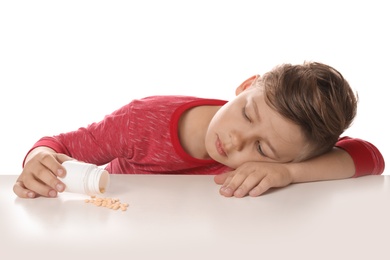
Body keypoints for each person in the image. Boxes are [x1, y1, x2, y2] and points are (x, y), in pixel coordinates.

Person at [13, 61, 385, 199]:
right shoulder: (142, 121)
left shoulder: (292, 153)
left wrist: (287, 172)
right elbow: (59, 143)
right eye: (247, 114)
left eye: (263, 150)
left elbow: (370, 157)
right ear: (245, 86)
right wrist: (40, 158)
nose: (236, 140)